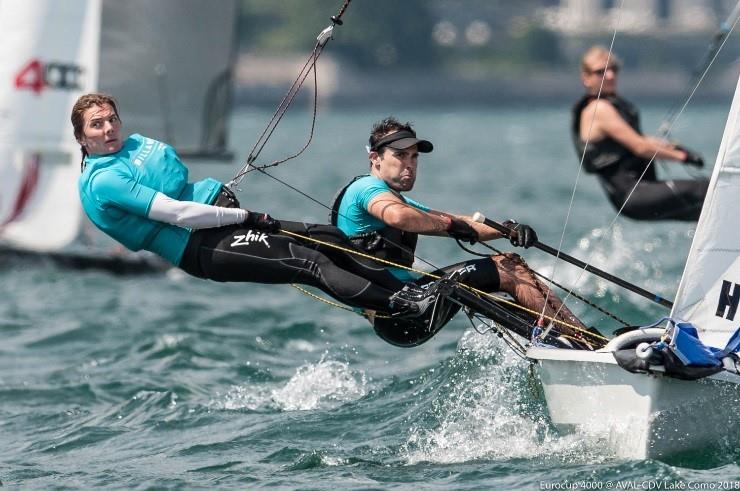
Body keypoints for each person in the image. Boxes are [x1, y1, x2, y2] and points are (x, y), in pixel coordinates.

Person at [72, 93, 441, 318]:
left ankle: (406, 286)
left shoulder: (130, 147)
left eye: (112, 119)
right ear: (81, 137)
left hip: (219, 222)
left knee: (326, 236)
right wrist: (245, 216)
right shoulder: (105, 180)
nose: (108, 129)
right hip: (200, 245)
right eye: (96, 124)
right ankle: (400, 307)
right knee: (311, 262)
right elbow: (179, 213)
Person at [331, 116, 592, 348]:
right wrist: (450, 226)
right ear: (375, 158)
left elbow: (459, 221)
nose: (409, 165)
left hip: (405, 311)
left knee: (499, 286)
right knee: (509, 268)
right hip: (401, 310)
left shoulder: (392, 196)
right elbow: (399, 217)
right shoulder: (366, 189)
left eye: (414, 157)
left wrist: (506, 229)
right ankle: (586, 344)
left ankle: (559, 344)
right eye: (400, 156)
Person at [572, 45, 709, 221]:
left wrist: (672, 147)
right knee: (708, 190)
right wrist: (683, 156)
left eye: (614, 69)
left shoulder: (608, 106)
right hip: (634, 194)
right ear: (586, 78)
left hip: (639, 194)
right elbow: (640, 147)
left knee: (705, 213)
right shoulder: (599, 109)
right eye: (601, 71)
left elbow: (640, 140)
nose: (610, 75)